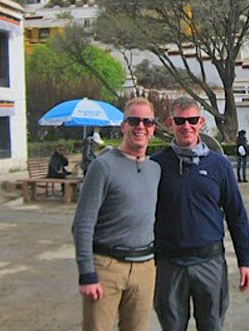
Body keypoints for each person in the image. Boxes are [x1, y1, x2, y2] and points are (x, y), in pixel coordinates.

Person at [151, 97, 249, 331]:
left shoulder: (219, 165)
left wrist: (244, 261)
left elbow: (236, 215)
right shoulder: (156, 164)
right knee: (172, 326)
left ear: (201, 123)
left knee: (212, 324)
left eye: (192, 120)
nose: (186, 126)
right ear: (170, 123)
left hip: (209, 261)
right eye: (180, 120)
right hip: (169, 263)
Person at [72, 97, 160, 331]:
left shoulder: (155, 169)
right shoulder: (103, 167)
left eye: (147, 121)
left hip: (144, 269)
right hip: (106, 268)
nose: (140, 127)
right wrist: (86, 273)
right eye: (133, 121)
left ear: (153, 128)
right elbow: (82, 223)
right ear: (123, 126)